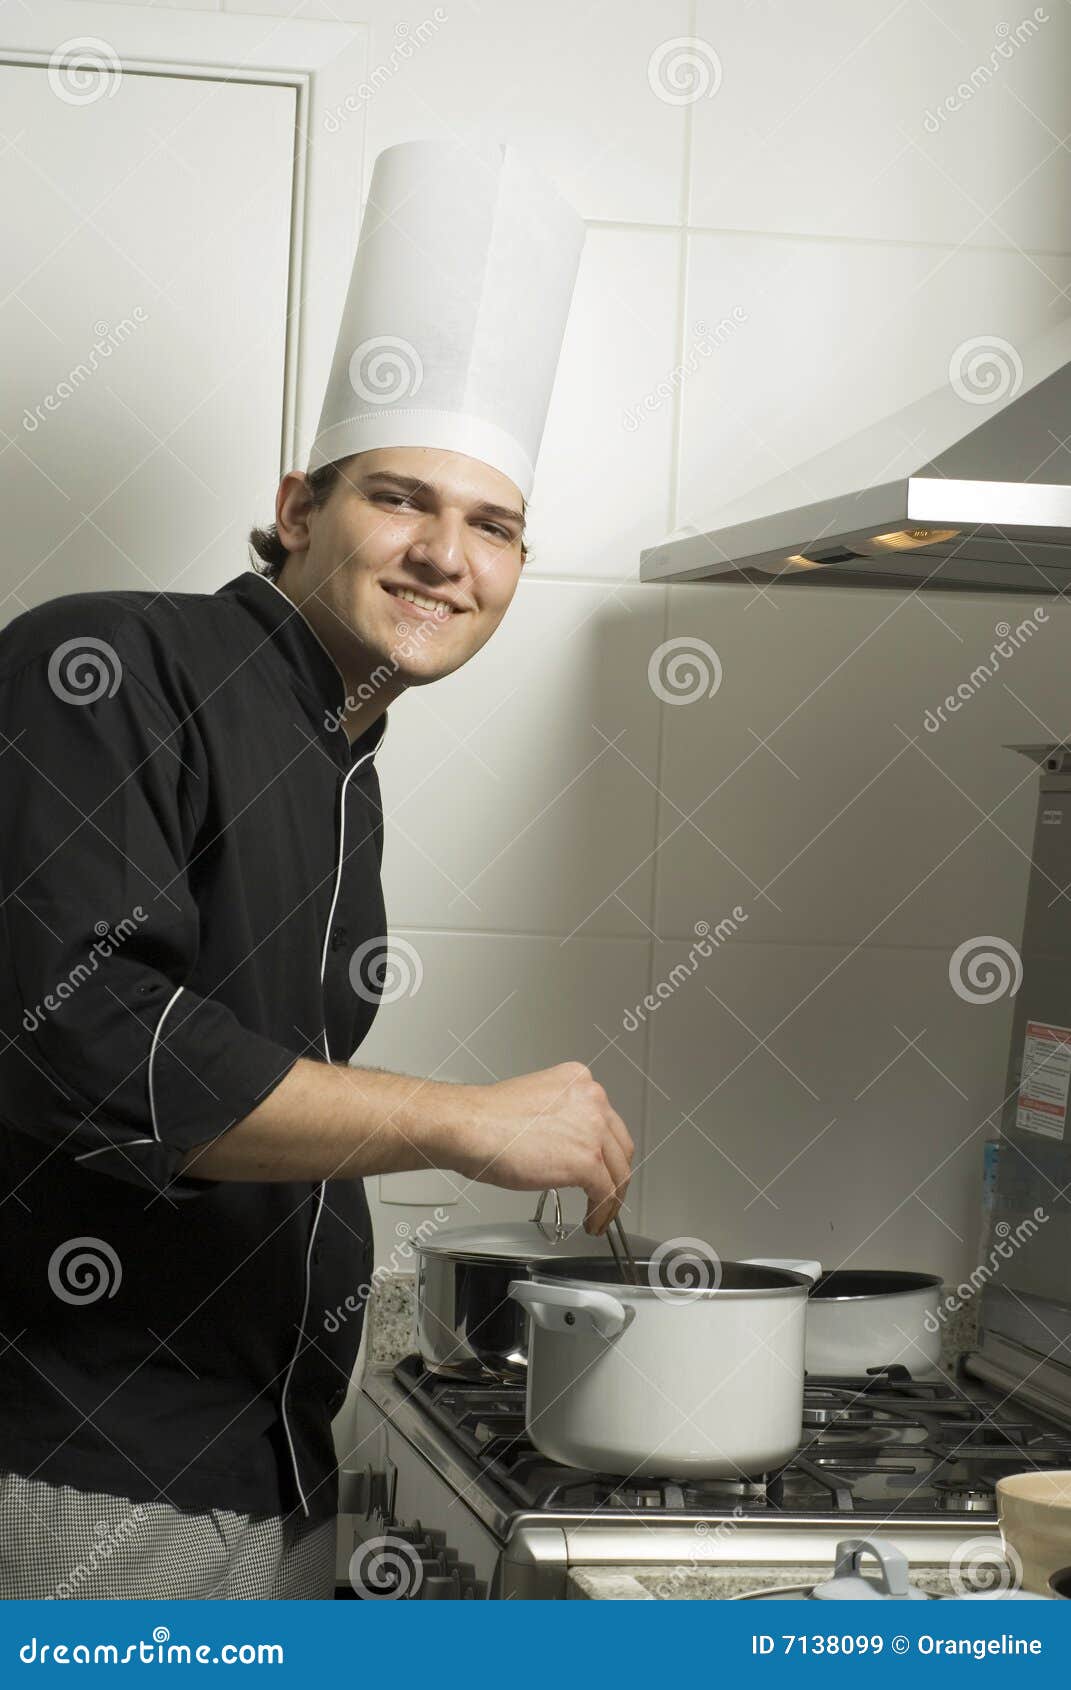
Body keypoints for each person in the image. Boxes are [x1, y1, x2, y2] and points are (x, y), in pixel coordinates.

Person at [0, 140, 632, 1601]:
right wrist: (465, 1124)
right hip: (73, 1470)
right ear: (300, 508)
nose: (444, 556)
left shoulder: (345, 761)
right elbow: (80, 1043)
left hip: (246, 1458)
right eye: (401, 501)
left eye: (494, 526)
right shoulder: (108, 667)